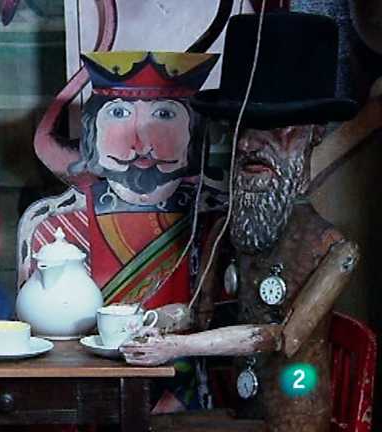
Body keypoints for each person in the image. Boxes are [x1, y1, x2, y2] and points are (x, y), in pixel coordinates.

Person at [120, 12, 360, 431]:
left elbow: (281, 336)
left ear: (313, 135)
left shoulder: (334, 249)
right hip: (245, 413)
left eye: (274, 128)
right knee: (145, 425)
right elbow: (195, 314)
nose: (248, 143)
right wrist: (141, 323)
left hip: (293, 423)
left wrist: (177, 348)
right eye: (240, 129)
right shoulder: (228, 231)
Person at [70, 51, 219, 310]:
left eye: (164, 114)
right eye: (119, 112)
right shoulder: (62, 221)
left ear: (194, 131)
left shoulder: (219, 218)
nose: (142, 144)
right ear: (92, 128)